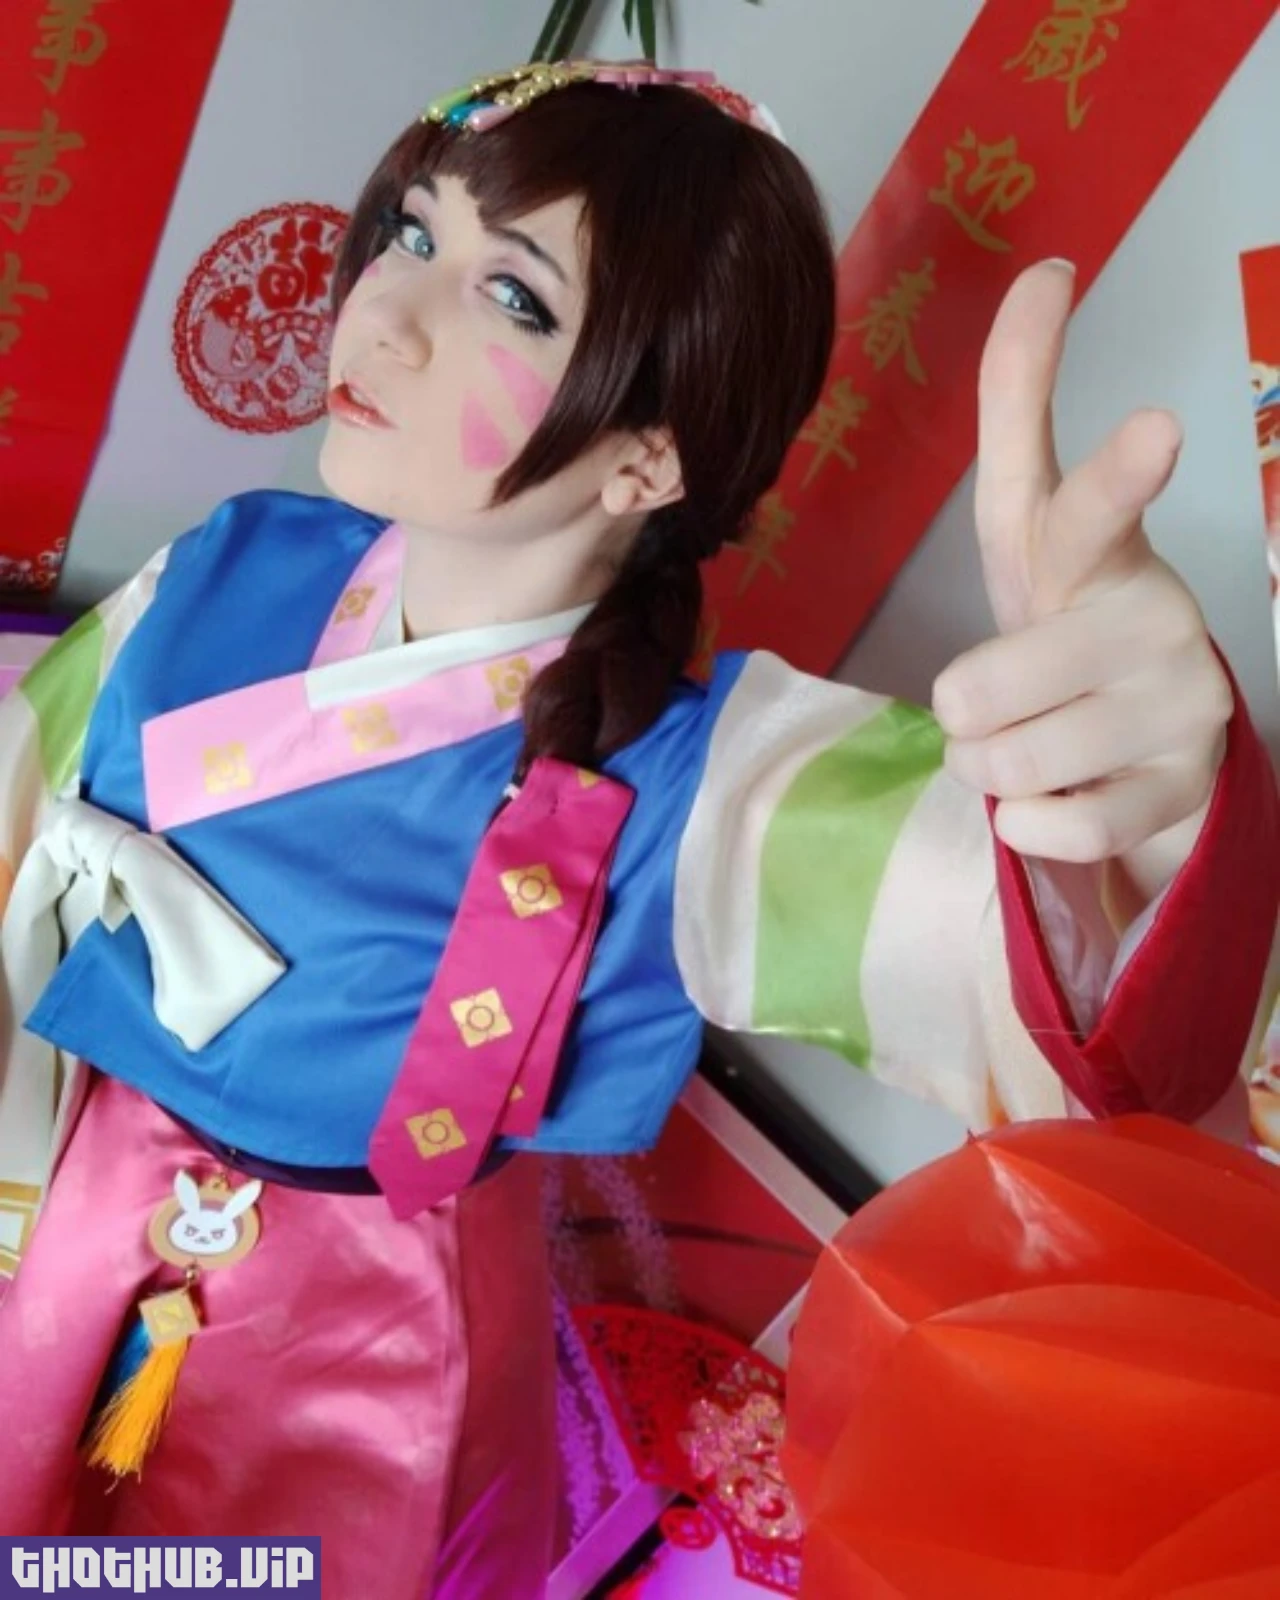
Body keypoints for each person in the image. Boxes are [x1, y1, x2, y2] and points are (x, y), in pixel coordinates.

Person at [0, 58, 1273, 1599]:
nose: (384, 317)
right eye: (412, 232)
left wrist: (1141, 828)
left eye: (513, 297)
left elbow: (1062, 1005)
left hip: (367, 1335)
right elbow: (21, 797)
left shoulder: (703, 788)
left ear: (648, 457)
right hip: (83, 1185)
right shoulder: (235, 557)